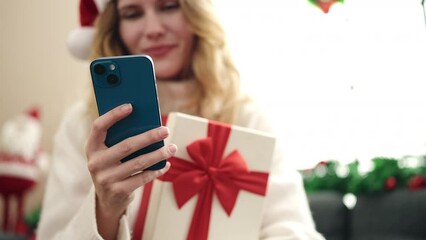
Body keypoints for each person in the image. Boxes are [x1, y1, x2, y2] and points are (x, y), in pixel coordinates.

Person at [37, 0, 325, 239]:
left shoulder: (247, 117)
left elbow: (293, 229)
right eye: (133, 14)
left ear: (196, 13)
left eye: (169, 6)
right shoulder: (85, 125)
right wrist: (105, 210)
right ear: (116, 28)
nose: (153, 29)